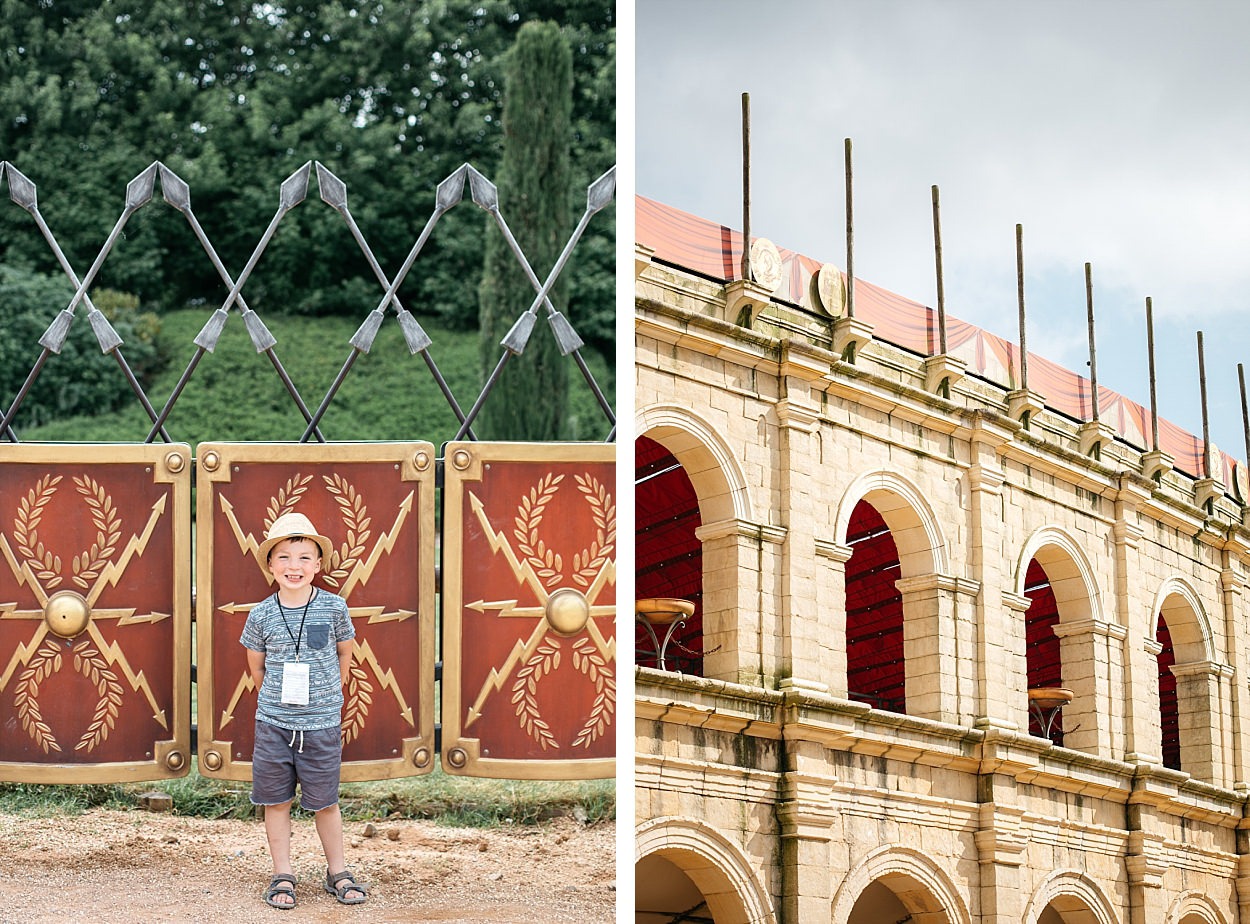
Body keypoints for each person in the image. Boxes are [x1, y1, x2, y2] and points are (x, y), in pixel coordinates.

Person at [240, 511, 368, 909]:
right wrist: (278, 700)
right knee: (276, 801)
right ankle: (283, 874)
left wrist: (327, 694)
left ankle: (338, 871)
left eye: (303, 558)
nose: (293, 566)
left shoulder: (333, 608)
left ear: (318, 564)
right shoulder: (261, 614)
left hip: (322, 724)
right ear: (270, 564)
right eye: (284, 557)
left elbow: (345, 654)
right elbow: (256, 666)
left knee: (325, 802)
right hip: (274, 724)